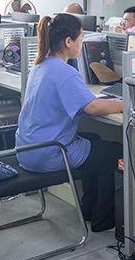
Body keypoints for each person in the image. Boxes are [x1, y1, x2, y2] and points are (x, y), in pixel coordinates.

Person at [16, 13, 123, 231]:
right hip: (48, 153)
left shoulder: (40, 66)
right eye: (81, 39)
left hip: (27, 149)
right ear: (68, 42)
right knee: (114, 152)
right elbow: (93, 107)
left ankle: (89, 209)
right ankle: (103, 220)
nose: (81, 44)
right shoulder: (65, 72)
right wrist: (126, 103)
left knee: (94, 139)